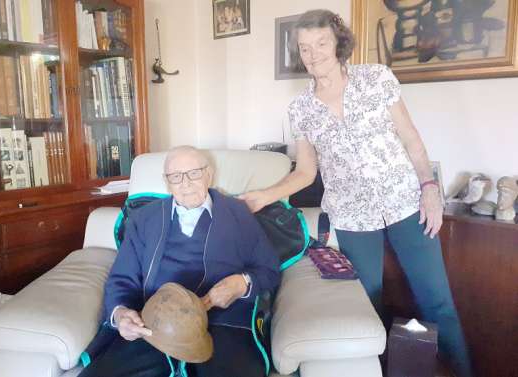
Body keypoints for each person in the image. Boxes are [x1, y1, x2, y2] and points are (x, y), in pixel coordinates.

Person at [239, 9, 473, 377]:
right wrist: (262, 196)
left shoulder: (376, 79)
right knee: (366, 305)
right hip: (352, 215)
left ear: (338, 44)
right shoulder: (300, 109)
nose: (313, 54)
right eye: (304, 48)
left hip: (406, 203)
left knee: (437, 301)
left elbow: (412, 141)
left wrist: (430, 190)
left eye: (320, 43)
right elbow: (305, 172)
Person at [79, 146, 280, 377]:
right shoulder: (144, 219)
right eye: (176, 177)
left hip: (223, 321)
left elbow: (269, 269)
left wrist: (242, 283)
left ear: (208, 174)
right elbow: (122, 279)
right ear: (167, 183)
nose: (185, 183)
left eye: (194, 173)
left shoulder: (239, 214)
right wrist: (121, 313)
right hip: (154, 320)